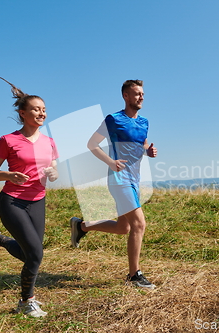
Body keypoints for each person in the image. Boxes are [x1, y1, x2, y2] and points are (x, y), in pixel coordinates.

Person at [70, 79, 157, 289]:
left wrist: (148, 151)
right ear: (126, 96)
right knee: (139, 224)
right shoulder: (113, 119)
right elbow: (92, 144)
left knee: (122, 227)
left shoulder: (144, 122)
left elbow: (143, 143)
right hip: (119, 180)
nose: (141, 97)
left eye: (142, 93)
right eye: (136, 93)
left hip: (134, 180)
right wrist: (111, 161)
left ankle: (81, 226)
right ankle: (134, 275)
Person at [0, 77, 59, 318]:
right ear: (22, 113)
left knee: (31, 252)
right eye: (36, 109)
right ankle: (26, 301)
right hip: (12, 201)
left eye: (44, 110)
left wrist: (53, 172)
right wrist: (9, 174)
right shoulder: (8, 140)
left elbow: (54, 169)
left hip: (38, 200)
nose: (42, 113)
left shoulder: (49, 142)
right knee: (36, 254)